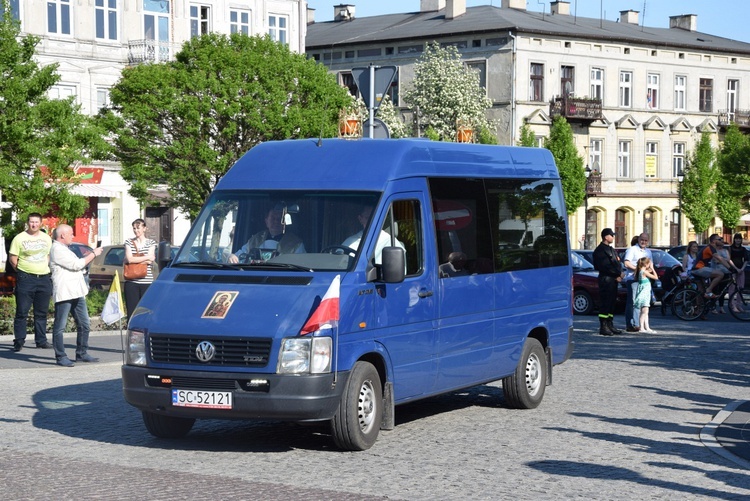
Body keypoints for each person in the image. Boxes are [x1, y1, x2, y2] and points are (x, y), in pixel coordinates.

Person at [49, 224, 104, 367]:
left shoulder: (66, 249)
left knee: (84, 324)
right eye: (71, 234)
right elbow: (76, 265)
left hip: (77, 292)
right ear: (62, 235)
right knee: (60, 326)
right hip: (65, 292)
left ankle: (82, 353)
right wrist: (93, 253)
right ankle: (60, 356)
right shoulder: (57, 249)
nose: (73, 236)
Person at [9, 213, 53, 352]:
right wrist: (21, 272)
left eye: (36, 222)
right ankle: (19, 341)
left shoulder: (46, 238)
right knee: (22, 312)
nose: (33, 224)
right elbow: (12, 258)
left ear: (41, 223)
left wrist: (44, 267)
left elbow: (48, 255)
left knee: (41, 312)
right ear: (28, 223)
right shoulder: (19, 238)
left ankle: (41, 340)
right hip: (26, 278)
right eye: (31, 222)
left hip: (44, 278)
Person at [229, 208, 305, 263]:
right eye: (273, 218)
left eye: (280, 219)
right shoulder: (255, 239)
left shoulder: (295, 244)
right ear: (266, 221)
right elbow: (240, 256)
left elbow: (301, 264)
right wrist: (232, 257)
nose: (276, 221)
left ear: (285, 223)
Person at [123, 218, 157, 321]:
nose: (136, 230)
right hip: (131, 282)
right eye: (134, 228)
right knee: (132, 311)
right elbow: (129, 258)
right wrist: (145, 258)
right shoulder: (129, 242)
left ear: (144, 228)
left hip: (147, 282)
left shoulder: (151, 242)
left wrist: (134, 260)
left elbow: (151, 260)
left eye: (138, 228)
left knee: (146, 311)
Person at [592, 228, 624, 336]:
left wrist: (620, 273)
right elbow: (604, 267)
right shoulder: (600, 251)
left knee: (612, 303)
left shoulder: (611, 249)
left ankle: (610, 324)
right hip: (606, 280)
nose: (613, 237)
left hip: (613, 280)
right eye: (611, 235)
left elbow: (617, 263)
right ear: (606, 237)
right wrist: (617, 274)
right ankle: (603, 326)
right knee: (605, 303)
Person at [622, 233, 653, 332]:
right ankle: (631, 324)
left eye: (645, 240)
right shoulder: (633, 249)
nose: (643, 242)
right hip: (633, 279)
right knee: (633, 302)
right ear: (638, 239)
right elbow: (626, 263)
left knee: (643, 303)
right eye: (642, 239)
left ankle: (641, 325)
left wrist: (648, 273)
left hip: (644, 281)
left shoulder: (648, 252)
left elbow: (650, 266)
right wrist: (638, 270)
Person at [692, 234, 736, 300]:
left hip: (698, 269)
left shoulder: (712, 248)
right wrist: (730, 268)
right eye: (719, 239)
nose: (721, 240)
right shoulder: (710, 248)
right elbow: (720, 259)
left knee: (701, 290)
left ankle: (699, 308)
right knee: (720, 274)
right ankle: (709, 290)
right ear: (713, 241)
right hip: (699, 268)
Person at [634, 257, 658, 333]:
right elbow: (656, 277)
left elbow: (648, 270)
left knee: (645, 312)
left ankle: (647, 327)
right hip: (644, 295)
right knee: (644, 311)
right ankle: (641, 327)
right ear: (646, 264)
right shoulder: (644, 272)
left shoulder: (642, 271)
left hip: (645, 294)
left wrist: (650, 267)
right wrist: (653, 268)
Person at [728, 233, 748, 313]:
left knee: (741, 287)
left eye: (739, 238)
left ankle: (738, 305)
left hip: (741, 270)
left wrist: (742, 269)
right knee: (732, 288)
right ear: (734, 239)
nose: (738, 240)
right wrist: (735, 268)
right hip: (733, 270)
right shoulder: (730, 248)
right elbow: (729, 259)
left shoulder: (743, 249)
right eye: (736, 238)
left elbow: (746, 260)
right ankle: (732, 305)